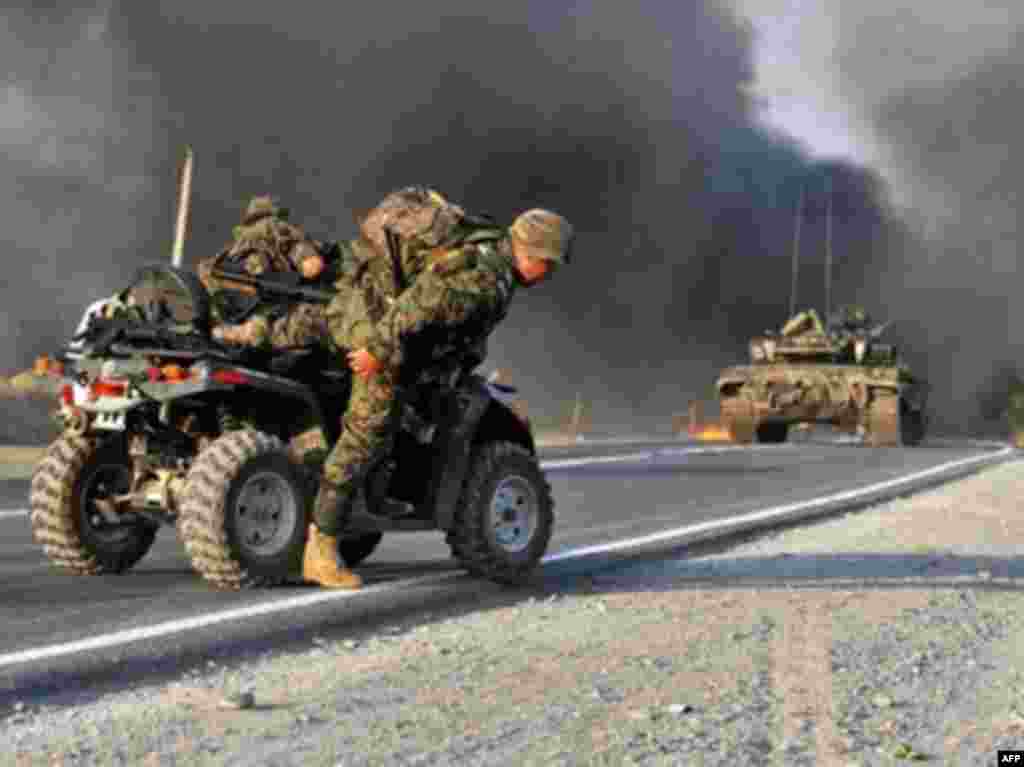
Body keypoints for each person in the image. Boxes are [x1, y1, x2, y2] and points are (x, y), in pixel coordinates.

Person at [301, 201, 574, 590]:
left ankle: (376, 496)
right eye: (548, 265)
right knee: (366, 432)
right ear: (532, 254)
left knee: (418, 415)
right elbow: (420, 302)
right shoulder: (483, 276)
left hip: (397, 331)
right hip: (379, 328)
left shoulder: (494, 258)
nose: (547, 275)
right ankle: (321, 548)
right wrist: (377, 351)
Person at [198, 195, 334, 349]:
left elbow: (207, 276)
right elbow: (311, 264)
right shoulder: (271, 226)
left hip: (237, 310)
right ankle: (247, 334)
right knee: (316, 319)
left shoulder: (234, 246)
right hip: (271, 312)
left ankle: (234, 333)